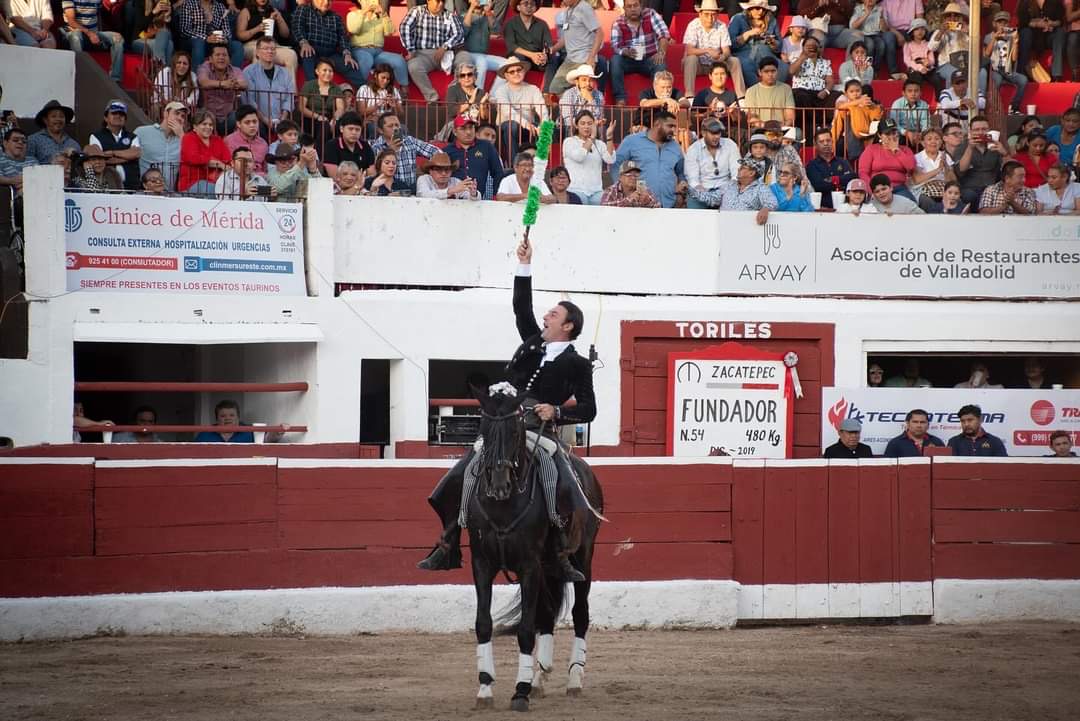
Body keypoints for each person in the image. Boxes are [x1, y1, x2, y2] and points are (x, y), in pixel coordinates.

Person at [416, 239, 596, 582]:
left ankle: (560, 549)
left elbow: (589, 409)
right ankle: (449, 538)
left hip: (539, 430)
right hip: (503, 423)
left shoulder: (577, 364)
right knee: (464, 471)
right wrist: (524, 266)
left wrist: (555, 411)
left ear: (569, 325)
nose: (545, 316)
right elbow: (520, 307)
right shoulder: (532, 341)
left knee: (558, 474)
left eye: (554, 315)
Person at [399, 0, 472, 103]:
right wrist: (411, 50)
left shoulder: (449, 15)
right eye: (437, 1)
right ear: (428, 0)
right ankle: (432, 99)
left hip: (447, 54)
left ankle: (453, 93)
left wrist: (445, 47)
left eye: (443, 1)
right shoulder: (417, 11)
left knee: (465, 58)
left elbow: (459, 34)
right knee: (413, 66)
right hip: (424, 54)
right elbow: (404, 27)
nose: (441, 4)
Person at [612, 110, 686, 208]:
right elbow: (616, 166)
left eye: (674, 127)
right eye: (670, 126)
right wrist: (623, 192)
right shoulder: (632, 141)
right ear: (657, 124)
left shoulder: (675, 147)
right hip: (641, 206)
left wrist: (680, 195)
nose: (674, 130)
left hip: (669, 206)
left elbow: (681, 172)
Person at [609, 0, 672, 105]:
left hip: (649, 58)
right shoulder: (618, 23)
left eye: (635, 5)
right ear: (624, 8)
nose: (633, 9)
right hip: (629, 59)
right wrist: (625, 52)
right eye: (629, 6)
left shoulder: (651, 14)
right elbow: (615, 45)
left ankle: (658, 99)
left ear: (641, 6)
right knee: (615, 60)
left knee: (660, 63)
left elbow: (664, 34)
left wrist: (661, 52)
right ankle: (620, 99)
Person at [292, 0, 365, 87]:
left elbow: (343, 37)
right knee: (307, 54)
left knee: (350, 64)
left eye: (329, 0)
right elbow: (297, 27)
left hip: (331, 53)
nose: (326, 2)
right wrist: (303, 42)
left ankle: (367, 92)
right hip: (311, 48)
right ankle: (312, 93)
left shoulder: (336, 17)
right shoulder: (303, 9)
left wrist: (347, 53)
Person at [489, 57, 549, 165]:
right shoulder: (501, 90)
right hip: (507, 127)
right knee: (512, 126)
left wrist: (543, 126)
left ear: (523, 71)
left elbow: (542, 109)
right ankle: (514, 165)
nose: (516, 73)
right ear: (506, 76)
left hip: (529, 127)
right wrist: (526, 124)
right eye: (512, 72)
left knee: (544, 128)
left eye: (519, 70)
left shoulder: (533, 89)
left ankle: (538, 165)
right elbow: (509, 112)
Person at [683, 0, 746, 99]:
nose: (710, 18)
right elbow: (689, 50)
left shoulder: (721, 26)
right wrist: (708, 50)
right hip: (698, 65)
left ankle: (741, 96)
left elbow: (726, 50)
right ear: (700, 14)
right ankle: (689, 95)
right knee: (691, 58)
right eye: (706, 14)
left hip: (715, 64)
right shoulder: (693, 25)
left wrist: (722, 57)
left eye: (713, 14)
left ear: (717, 15)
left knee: (734, 60)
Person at [690, 157, 778, 223]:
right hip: (723, 226)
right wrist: (690, 190)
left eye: (743, 168)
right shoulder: (730, 184)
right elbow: (712, 198)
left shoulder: (761, 188)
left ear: (752, 173)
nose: (738, 169)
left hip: (746, 229)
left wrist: (765, 209)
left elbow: (772, 203)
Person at [547, 0, 607, 95]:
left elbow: (600, 34)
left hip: (584, 59)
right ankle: (573, 107)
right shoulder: (567, 11)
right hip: (570, 59)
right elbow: (565, 38)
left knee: (583, 91)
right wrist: (551, 50)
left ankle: (582, 107)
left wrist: (591, 58)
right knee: (555, 89)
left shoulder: (584, 8)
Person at [346, 0, 409, 89]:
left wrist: (383, 14)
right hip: (360, 49)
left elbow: (389, 32)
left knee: (399, 60)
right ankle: (360, 91)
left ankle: (404, 92)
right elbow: (353, 29)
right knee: (366, 60)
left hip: (378, 52)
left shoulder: (380, 16)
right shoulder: (353, 14)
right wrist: (365, 12)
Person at [370, 112, 440, 191]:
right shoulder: (375, 147)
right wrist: (390, 150)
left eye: (397, 125)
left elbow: (436, 152)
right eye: (390, 126)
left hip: (410, 191)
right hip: (386, 192)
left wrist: (429, 167)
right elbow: (372, 172)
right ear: (380, 130)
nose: (395, 128)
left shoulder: (409, 141)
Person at [60, 0, 124, 84]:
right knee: (76, 35)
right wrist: (90, 33)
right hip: (72, 33)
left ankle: (115, 80)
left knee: (118, 38)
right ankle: (79, 77)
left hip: (92, 33)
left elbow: (107, 10)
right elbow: (71, 21)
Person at [241, 37, 297, 134]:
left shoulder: (284, 73)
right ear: (257, 52)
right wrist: (266, 120)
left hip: (281, 118)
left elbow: (289, 97)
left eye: (272, 49)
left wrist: (283, 118)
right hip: (258, 118)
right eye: (266, 48)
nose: (270, 51)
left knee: (295, 130)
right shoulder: (248, 72)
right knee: (257, 128)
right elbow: (250, 101)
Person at [928, 3, 988, 92]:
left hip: (965, 64)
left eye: (956, 16)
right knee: (955, 73)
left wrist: (967, 32)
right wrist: (941, 32)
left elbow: (976, 45)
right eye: (949, 16)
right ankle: (952, 101)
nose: (952, 18)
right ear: (945, 18)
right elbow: (931, 47)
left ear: (960, 18)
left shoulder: (966, 31)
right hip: (946, 64)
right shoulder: (939, 32)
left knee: (982, 72)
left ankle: (980, 100)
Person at [563, 109, 616, 205]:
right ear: (576, 125)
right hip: (575, 190)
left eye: (589, 123)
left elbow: (610, 159)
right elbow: (580, 156)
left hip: (596, 191)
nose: (586, 126)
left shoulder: (599, 144)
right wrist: (592, 138)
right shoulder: (569, 141)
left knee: (607, 206)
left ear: (594, 125)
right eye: (582, 123)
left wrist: (609, 137)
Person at [685, 117, 741, 209]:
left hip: (726, 189)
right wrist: (704, 194)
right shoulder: (693, 149)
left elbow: (737, 172)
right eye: (713, 133)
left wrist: (727, 190)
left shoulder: (730, 144)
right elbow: (693, 179)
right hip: (702, 190)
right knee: (693, 203)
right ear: (703, 133)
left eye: (718, 133)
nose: (717, 137)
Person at [729, 0, 784, 89]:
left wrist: (772, 42)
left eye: (763, 9)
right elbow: (730, 43)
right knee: (745, 65)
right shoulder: (738, 19)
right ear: (749, 8)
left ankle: (775, 91)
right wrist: (748, 34)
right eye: (758, 8)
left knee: (783, 67)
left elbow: (779, 45)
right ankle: (759, 91)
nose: (761, 11)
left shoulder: (771, 20)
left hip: (766, 53)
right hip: (744, 53)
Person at [446, 114, 503, 200]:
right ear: (454, 131)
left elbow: (498, 173)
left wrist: (495, 196)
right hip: (452, 201)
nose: (468, 132)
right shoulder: (447, 150)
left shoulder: (486, 146)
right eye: (463, 128)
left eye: (471, 127)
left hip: (478, 200)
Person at [88, 100, 141, 191]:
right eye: (114, 113)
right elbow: (99, 160)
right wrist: (128, 158)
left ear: (125, 119)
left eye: (121, 114)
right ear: (106, 118)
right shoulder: (96, 136)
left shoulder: (132, 137)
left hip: (132, 188)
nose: (118, 116)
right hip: (107, 188)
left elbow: (136, 153)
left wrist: (113, 153)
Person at [957, 115, 1008, 210]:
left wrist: (1004, 153)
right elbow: (962, 169)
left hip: (991, 188)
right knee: (970, 195)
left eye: (984, 129)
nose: (980, 132)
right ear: (971, 131)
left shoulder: (996, 145)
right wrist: (970, 148)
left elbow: (1009, 170)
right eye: (976, 129)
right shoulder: (963, 146)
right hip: (970, 187)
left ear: (989, 130)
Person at [175, 0, 244, 70]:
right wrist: (206, 38)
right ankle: (197, 77)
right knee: (199, 42)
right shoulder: (189, 4)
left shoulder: (220, 7)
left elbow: (226, 30)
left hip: (215, 42)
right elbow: (184, 30)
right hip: (193, 41)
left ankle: (233, 75)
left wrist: (224, 38)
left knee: (237, 45)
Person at [197, 43, 248, 136]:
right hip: (208, 115)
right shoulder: (204, 67)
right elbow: (203, 82)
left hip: (227, 117)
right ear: (210, 59)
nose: (221, 58)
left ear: (229, 59)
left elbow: (244, 84)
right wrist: (222, 84)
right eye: (217, 55)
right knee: (203, 116)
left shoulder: (235, 70)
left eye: (224, 55)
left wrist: (235, 84)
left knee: (239, 115)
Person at [135, 101, 187, 191]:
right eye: (176, 113)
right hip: (146, 191)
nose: (180, 118)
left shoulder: (185, 139)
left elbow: (193, 158)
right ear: (166, 114)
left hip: (169, 195)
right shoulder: (142, 132)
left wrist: (182, 135)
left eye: (182, 116)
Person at [982, 12, 1027, 116]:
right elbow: (986, 55)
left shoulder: (1011, 37)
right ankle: (992, 108)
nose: (1002, 25)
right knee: (996, 80)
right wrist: (994, 38)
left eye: (1005, 23)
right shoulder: (989, 37)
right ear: (994, 24)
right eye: (1000, 22)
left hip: (1008, 69)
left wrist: (1015, 42)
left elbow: (1014, 58)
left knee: (1023, 79)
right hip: (995, 69)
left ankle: (1014, 108)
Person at [236, 0, 298, 76]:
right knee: (260, 51)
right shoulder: (246, 11)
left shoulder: (273, 10)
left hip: (272, 45)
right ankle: (257, 87)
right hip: (252, 45)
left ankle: (288, 86)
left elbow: (285, 34)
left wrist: (280, 19)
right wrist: (257, 29)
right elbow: (240, 35)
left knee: (291, 55)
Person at [859, 118, 916, 200]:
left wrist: (897, 151)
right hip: (878, 189)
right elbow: (863, 173)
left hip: (899, 188)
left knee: (910, 204)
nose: (891, 137)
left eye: (894, 133)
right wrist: (871, 190)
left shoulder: (905, 150)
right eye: (887, 134)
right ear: (879, 135)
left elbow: (911, 167)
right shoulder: (871, 149)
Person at [298, 57, 345, 155]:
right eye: (324, 70)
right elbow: (302, 107)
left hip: (328, 119)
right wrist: (318, 116)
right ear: (317, 71)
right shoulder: (309, 85)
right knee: (324, 125)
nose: (328, 73)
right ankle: (318, 156)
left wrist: (335, 118)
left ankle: (334, 155)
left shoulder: (336, 88)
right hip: (310, 118)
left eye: (330, 71)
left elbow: (340, 108)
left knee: (337, 126)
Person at [460, 0, 509, 91]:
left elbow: (496, 31)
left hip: (483, 55)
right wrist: (472, 8)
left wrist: (488, 12)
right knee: (482, 62)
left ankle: (493, 96)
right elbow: (463, 32)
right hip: (468, 55)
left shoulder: (488, 16)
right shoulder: (462, 15)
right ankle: (477, 96)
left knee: (507, 64)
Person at [831, 79, 882, 163]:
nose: (855, 93)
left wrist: (872, 106)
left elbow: (876, 116)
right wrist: (833, 141)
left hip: (867, 133)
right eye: (851, 91)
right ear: (846, 94)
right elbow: (838, 119)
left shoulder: (866, 104)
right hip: (849, 136)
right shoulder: (845, 107)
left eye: (858, 91)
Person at [790, 35, 836, 129]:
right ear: (803, 48)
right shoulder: (797, 59)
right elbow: (792, 71)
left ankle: (830, 124)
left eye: (813, 45)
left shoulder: (825, 62)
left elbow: (830, 81)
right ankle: (816, 124)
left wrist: (826, 91)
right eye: (808, 45)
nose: (811, 47)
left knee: (837, 95)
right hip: (801, 92)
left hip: (819, 94)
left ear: (819, 48)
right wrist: (803, 56)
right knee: (801, 96)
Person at [806, 127, 857, 209]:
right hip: (822, 209)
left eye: (828, 140)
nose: (826, 143)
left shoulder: (842, 162)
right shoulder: (812, 165)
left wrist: (834, 179)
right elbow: (819, 185)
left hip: (845, 208)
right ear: (815, 145)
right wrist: (841, 182)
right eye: (821, 141)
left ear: (832, 142)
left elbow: (852, 179)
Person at [850, 0, 902, 77]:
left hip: (876, 34)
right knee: (870, 45)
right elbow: (852, 26)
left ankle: (875, 69)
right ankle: (867, 69)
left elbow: (885, 30)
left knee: (881, 45)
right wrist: (867, 13)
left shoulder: (880, 9)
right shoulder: (858, 9)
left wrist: (882, 19)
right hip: (863, 35)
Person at [1019, 0, 1066, 82]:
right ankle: (1022, 73)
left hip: (1048, 36)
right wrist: (1037, 24)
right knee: (1026, 33)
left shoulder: (1054, 2)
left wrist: (1051, 23)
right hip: (1032, 36)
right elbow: (1023, 21)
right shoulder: (1026, 2)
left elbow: (1060, 21)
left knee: (1060, 32)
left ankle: (1056, 75)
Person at [502, 0, 552, 75]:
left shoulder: (542, 24)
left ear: (535, 8)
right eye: (526, 3)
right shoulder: (510, 24)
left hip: (537, 57)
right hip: (518, 56)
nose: (529, 6)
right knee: (518, 59)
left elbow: (548, 44)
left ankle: (547, 87)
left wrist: (544, 55)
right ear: (518, 7)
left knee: (552, 62)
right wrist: (531, 55)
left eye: (532, 4)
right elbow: (511, 46)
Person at [910, 127, 955, 209]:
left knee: (954, 200)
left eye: (937, 139)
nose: (933, 142)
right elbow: (917, 179)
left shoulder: (946, 156)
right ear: (923, 143)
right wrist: (938, 169)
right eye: (929, 139)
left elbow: (952, 181)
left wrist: (946, 166)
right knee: (927, 202)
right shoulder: (917, 158)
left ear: (941, 142)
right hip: (924, 190)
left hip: (942, 189)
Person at [27, 100, 80, 165]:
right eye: (54, 116)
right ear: (45, 120)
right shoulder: (33, 140)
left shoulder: (74, 144)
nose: (58, 119)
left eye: (61, 116)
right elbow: (27, 165)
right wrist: (50, 163)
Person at [323, 111, 374, 178]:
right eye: (350, 129)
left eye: (357, 130)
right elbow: (334, 177)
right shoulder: (331, 146)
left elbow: (371, 175)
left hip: (361, 186)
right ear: (341, 129)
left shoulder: (365, 146)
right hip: (336, 187)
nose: (354, 132)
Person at [798, 0, 864, 52]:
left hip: (840, 33)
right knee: (814, 41)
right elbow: (802, 14)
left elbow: (849, 13)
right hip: (819, 30)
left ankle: (849, 68)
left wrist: (837, 2)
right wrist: (818, 5)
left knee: (858, 36)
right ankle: (816, 68)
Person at [224, 105, 269, 174]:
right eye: (247, 122)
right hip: (237, 179)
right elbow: (229, 167)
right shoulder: (229, 141)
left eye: (255, 122)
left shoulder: (263, 143)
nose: (252, 126)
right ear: (238, 124)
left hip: (260, 180)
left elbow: (265, 169)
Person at [153, 52, 200, 117]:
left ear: (189, 66)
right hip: (162, 105)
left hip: (182, 107)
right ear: (174, 64)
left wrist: (185, 103)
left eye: (185, 64)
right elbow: (163, 95)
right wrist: (174, 104)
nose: (182, 66)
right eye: (179, 62)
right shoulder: (165, 72)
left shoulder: (192, 76)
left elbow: (194, 95)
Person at [559, 65, 605, 130]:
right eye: (584, 80)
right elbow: (568, 120)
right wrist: (585, 125)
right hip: (573, 128)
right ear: (577, 82)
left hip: (591, 128)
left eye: (591, 80)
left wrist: (591, 100)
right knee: (570, 128)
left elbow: (599, 117)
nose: (588, 84)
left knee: (601, 128)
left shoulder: (599, 94)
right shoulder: (569, 94)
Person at [446, 62, 489, 129]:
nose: (466, 77)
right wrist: (470, 102)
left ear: (475, 77)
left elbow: (485, 118)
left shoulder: (481, 93)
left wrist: (482, 105)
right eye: (462, 75)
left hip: (475, 128)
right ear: (459, 79)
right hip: (457, 127)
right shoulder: (453, 90)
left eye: (470, 74)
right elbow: (452, 111)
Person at [889, 79, 932, 147]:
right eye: (909, 91)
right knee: (898, 140)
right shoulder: (897, 104)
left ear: (921, 93)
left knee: (930, 140)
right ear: (903, 93)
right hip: (902, 134)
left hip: (918, 134)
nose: (913, 94)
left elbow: (925, 122)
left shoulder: (924, 104)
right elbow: (894, 124)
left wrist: (921, 134)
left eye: (916, 91)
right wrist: (907, 133)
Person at [0, 127, 39, 196]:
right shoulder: (1, 160)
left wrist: (26, 181)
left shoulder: (33, 160)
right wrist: (11, 181)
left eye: (24, 141)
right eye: (15, 140)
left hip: (37, 194)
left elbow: (41, 178)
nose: (20, 142)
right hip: (13, 200)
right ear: (5, 143)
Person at [903, 18, 935, 85]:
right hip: (914, 68)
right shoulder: (908, 45)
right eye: (917, 29)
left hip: (927, 68)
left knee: (937, 79)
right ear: (912, 32)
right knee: (916, 78)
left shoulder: (928, 44)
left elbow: (932, 59)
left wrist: (929, 63)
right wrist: (919, 68)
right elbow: (907, 61)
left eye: (922, 29)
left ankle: (939, 95)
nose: (920, 31)